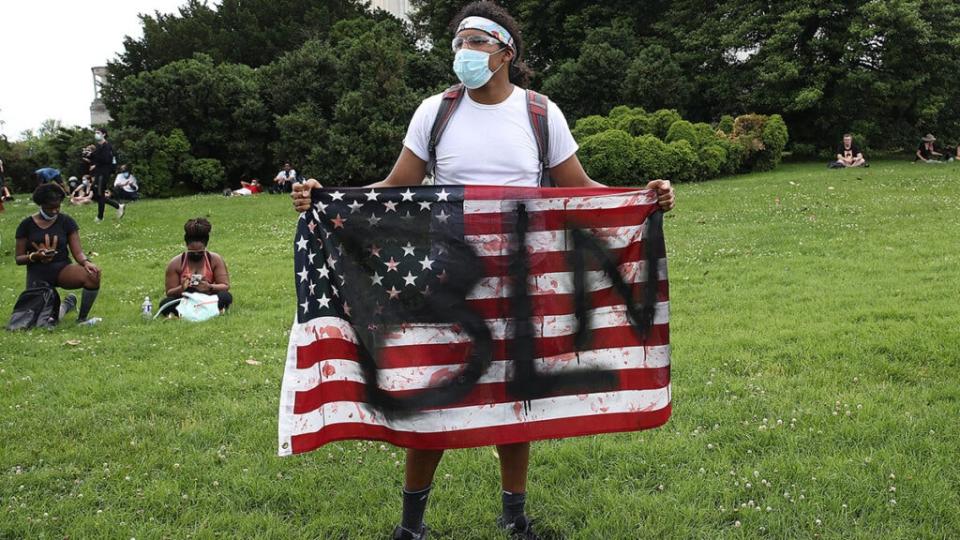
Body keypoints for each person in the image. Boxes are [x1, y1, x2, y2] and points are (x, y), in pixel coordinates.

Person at [292, 3, 675, 539]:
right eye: (458, 43)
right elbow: (395, 186)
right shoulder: (436, 112)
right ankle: (411, 526)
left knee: (517, 395)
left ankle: (515, 518)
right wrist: (325, 199)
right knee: (434, 395)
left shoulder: (541, 114)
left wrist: (644, 198)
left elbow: (581, 189)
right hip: (449, 278)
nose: (463, 53)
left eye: (475, 43)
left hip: (522, 280)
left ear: (505, 53)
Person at [14, 183, 103, 324]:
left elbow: (78, 252)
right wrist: (34, 256)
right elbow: (19, 258)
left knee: (93, 276)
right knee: (47, 320)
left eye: (58, 207)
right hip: (38, 275)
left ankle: (82, 318)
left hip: (62, 269)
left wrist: (86, 262)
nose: (55, 211)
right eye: (50, 208)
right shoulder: (26, 225)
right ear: (41, 205)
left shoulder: (66, 221)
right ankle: (67, 305)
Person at [159, 218, 232, 317]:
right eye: (192, 252)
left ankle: (187, 313)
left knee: (225, 296)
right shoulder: (175, 263)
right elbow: (169, 292)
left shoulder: (214, 259)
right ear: (186, 246)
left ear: (205, 246)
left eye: (200, 252)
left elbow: (225, 286)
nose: (196, 254)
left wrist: (209, 287)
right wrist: (182, 288)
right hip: (185, 300)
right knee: (165, 303)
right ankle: (209, 311)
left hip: (208, 298)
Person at [88, 128, 125, 221]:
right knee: (96, 193)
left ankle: (100, 217)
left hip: (104, 173)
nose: (96, 134)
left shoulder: (107, 146)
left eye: (98, 133)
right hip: (99, 172)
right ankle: (118, 206)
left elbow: (105, 160)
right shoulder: (99, 146)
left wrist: (96, 162)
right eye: (95, 133)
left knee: (100, 194)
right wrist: (89, 154)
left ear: (104, 134)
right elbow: (96, 157)